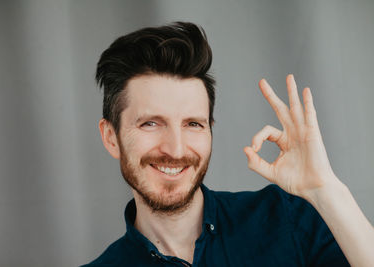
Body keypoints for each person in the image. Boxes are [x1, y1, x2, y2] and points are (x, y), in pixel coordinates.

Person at [81, 22, 374, 266]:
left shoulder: (285, 219)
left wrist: (326, 191)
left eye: (193, 124)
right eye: (151, 124)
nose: (176, 149)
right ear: (111, 137)